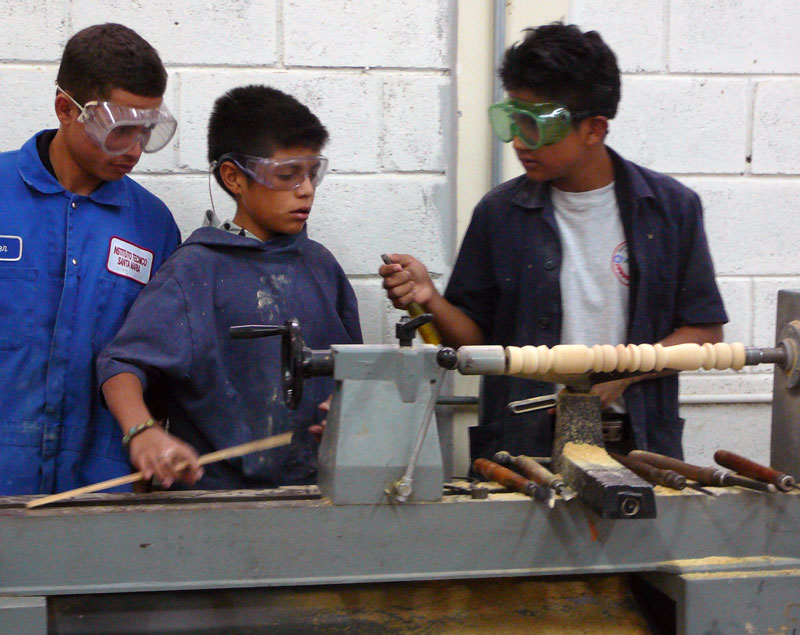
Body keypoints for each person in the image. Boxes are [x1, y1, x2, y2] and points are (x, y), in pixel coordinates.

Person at [380, 23, 727, 461]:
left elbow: (705, 332)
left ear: (593, 129)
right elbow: (474, 342)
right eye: (513, 121)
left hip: (637, 443)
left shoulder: (670, 209)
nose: (521, 141)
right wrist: (430, 297)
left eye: (537, 126)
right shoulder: (500, 214)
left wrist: (624, 374)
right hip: (524, 444)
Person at [98, 85, 362, 490]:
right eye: (288, 174)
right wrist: (142, 430)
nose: (306, 189)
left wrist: (349, 414)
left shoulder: (322, 268)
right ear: (234, 177)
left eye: (312, 173)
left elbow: (358, 375)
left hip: (317, 497)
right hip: (217, 505)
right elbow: (121, 364)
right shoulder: (195, 271)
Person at [0, 24, 180, 495]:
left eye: (146, 132)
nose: (136, 151)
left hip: (101, 491)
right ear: (66, 109)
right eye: (120, 132)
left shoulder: (153, 227)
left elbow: (153, 362)